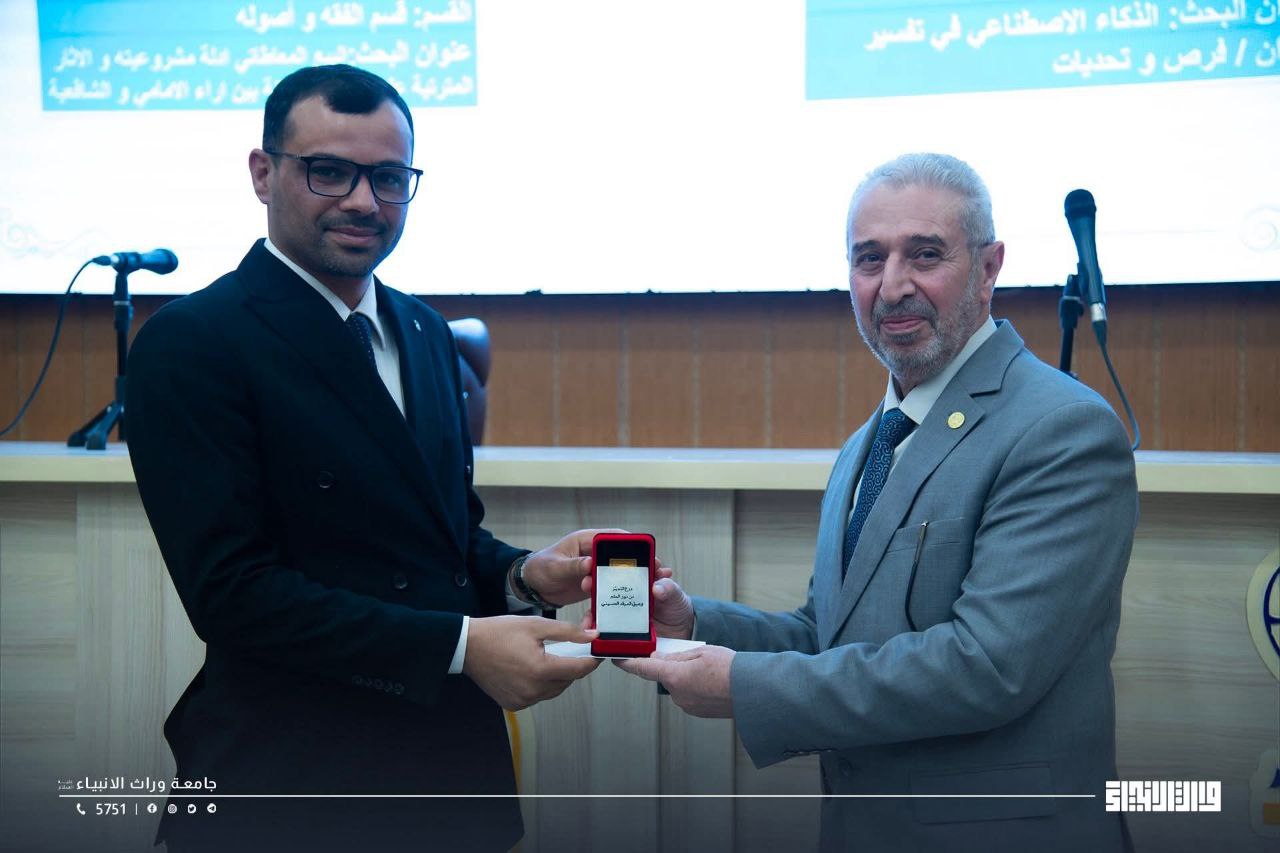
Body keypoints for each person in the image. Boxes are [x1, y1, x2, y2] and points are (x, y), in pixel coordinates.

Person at [126, 64, 607, 852]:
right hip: (291, 784)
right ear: (263, 173)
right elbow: (233, 593)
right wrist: (460, 647)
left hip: (453, 780)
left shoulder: (424, 331)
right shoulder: (193, 343)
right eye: (329, 171)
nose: (363, 201)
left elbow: (441, 539)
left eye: (388, 178)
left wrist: (524, 575)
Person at [616, 153, 1138, 852]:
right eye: (869, 259)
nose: (892, 286)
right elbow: (828, 638)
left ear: (988, 268)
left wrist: (745, 686)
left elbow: (986, 666)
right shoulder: (872, 440)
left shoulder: (1063, 428)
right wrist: (694, 627)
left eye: (925, 254)